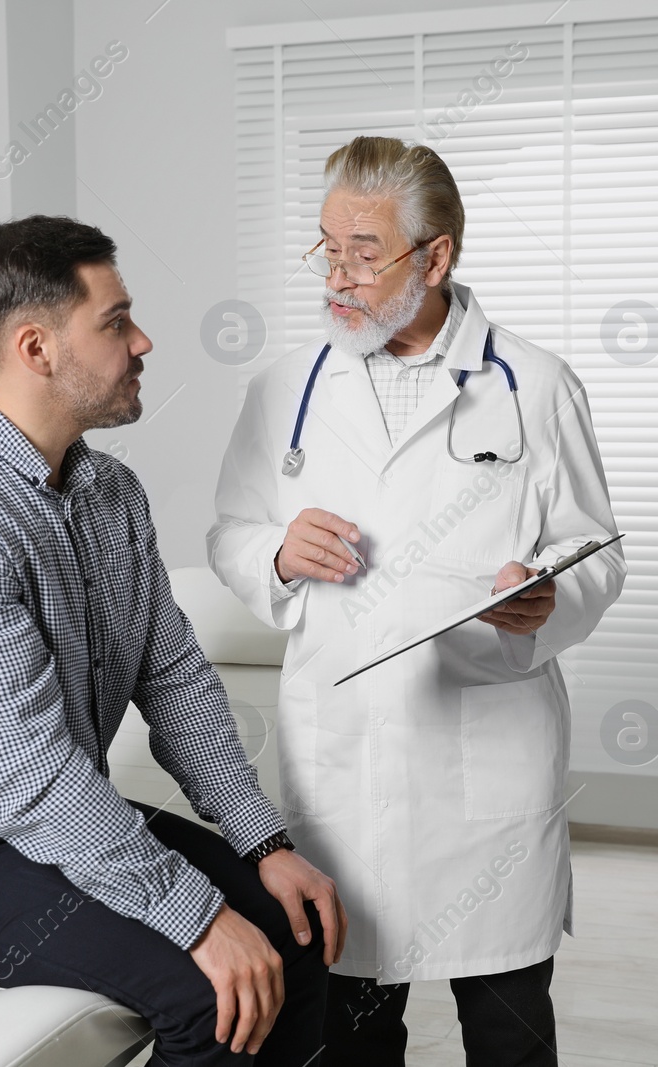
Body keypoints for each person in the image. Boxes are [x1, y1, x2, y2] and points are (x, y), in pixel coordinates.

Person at [0, 215, 344, 1066]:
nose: (142, 340)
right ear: (37, 348)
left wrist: (264, 840)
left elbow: (174, 674)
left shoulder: (110, 490)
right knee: (208, 984)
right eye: (115, 322)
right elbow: (29, 775)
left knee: (287, 933)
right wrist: (195, 916)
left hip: (43, 828)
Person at [208, 136, 625, 1065]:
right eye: (327, 247)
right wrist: (277, 552)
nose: (338, 274)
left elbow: (594, 554)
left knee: (508, 1028)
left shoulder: (536, 384)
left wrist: (546, 595)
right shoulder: (285, 388)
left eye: (365, 250)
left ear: (435, 257)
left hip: (486, 754)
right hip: (343, 760)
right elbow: (229, 533)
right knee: (352, 1029)